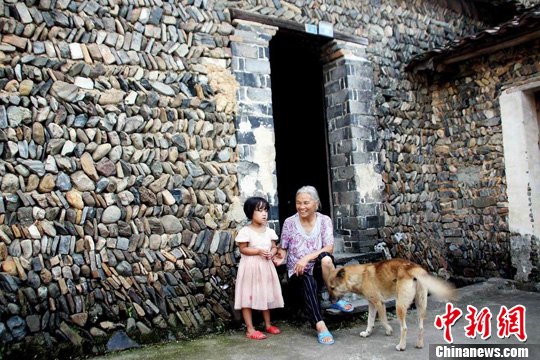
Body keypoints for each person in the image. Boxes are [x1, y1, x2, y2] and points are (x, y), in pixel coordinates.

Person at [273, 186, 353, 345]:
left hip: (318, 268)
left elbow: (329, 248)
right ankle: (320, 326)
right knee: (307, 280)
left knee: (326, 258)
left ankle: (334, 296)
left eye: (306, 203)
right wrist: (278, 255)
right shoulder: (289, 223)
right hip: (298, 271)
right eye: (298, 203)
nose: (301, 206)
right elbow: (283, 248)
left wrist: (307, 258)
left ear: (316, 203)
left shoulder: (324, 220)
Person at [234, 196, 284, 340]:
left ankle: (268, 324)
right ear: (251, 213)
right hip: (250, 268)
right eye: (259, 210)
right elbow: (243, 249)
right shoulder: (246, 231)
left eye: (266, 210)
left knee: (266, 294)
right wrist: (257, 251)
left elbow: (274, 247)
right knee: (247, 297)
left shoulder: (269, 231)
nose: (264, 214)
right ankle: (250, 329)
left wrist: (272, 252)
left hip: (265, 267)